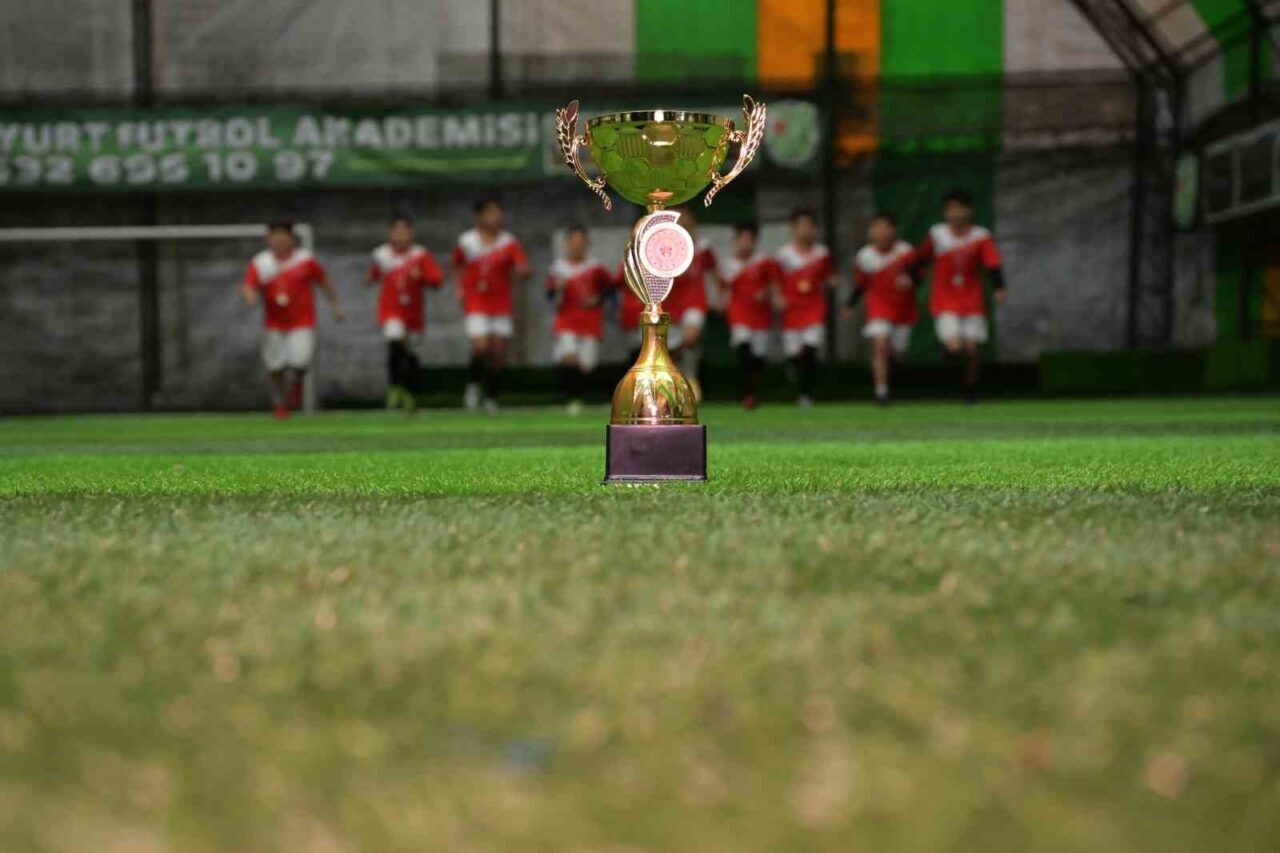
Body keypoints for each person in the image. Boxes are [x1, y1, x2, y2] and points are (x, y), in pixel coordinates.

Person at [241, 221, 342, 420]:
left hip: (302, 321)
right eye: (275, 235)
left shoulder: (305, 259)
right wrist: (250, 296)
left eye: (283, 235)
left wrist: (335, 306)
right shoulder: (261, 262)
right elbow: (249, 285)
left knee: (301, 361)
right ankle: (280, 404)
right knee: (275, 367)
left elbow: (324, 281)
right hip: (274, 324)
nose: (279, 240)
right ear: (268, 238)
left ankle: (295, 389)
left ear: (291, 238)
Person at [916, 189, 1007, 403]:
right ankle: (950, 356)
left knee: (972, 349)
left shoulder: (980, 236)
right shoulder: (937, 234)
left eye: (960, 208)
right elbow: (921, 260)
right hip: (944, 299)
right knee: (955, 345)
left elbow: (992, 264)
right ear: (945, 212)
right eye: (951, 209)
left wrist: (999, 287)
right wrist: (911, 280)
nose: (956, 213)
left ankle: (969, 387)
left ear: (970, 211)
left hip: (972, 300)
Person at [451, 197, 531, 413]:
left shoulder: (508, 242)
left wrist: (523, 272)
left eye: (498, 213)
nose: (495, 218)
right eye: (490, 213)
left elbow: (523, 266)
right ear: (479, 217)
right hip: (476, 300)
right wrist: (459, 288)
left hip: (500, 302)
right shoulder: (467, 241)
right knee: (480, 346)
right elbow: (457, 265)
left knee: (497, 353)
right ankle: (473, 386)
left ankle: (492, 396)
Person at [367, 212, 444, 412]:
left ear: (411, 233)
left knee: (408, 354)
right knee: (394, 340)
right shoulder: (381, 255)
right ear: (390, 233)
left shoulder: (420, 255)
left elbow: (437, 281)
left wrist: (421, 277)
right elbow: (372, 277)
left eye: (405, 230)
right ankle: (394, 388)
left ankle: (406, 390)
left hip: (413, 313)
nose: (401, 235)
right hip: (390, 310)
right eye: (397, 230)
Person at [848, 213, 918, 406]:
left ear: (893, 230)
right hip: (878, 307)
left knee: (896, 353)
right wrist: (850, 305)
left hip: (903, 310)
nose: (882, 231)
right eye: (877, 227)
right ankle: (881, 392)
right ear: (871, 231)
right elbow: (860, 283)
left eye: (886, 227)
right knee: (879, 345)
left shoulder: (906, 252)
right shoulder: (864, 256)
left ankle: (893, 380)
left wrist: (909, 279)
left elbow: (919, 274)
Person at [547, 224, 614, 415]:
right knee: (570, 357)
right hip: (566, 320)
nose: (577, 246)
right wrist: (557, 289)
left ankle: (585, 396)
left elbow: (609, 288)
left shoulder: (595, 267)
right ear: (567, 244)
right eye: (573, 242)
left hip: (590, 321)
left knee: (586, 364)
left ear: (586, 244)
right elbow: (549, 295)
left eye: (581, 242)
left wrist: (597, 299)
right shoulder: (558, 268)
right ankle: (572, 399)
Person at [718, 221, 781, 410]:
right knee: (743, 345)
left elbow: (773, 284)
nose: (745, 243)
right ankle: (746, 393)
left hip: (760, 315)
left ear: (754, 241)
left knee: (758, 357)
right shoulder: (728, 265)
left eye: (749, 240)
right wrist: (721, 302)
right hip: (739, 312)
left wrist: (770, 295)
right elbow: (723, 287)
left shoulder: (764, 262)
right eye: (742, 239)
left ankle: (753, 391)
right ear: (736, 240)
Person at [775, 209, 834, 407]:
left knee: (811, 348)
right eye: (801, 226)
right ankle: (794, 369)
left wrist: (832, 281)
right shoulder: (783, 255)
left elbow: (828, 275)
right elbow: (775, 280)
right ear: (793, 229)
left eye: (809, 226)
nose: (805, 230)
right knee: (794, 355)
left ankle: (806, 394)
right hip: (792, 310)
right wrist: (778, 297)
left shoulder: (821, 254)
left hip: (814, 308)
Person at [663, 207, 717, 399]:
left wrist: (719, 294)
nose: (683, 223)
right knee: (671, 348)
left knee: (691, 336)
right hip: (670, 303)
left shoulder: (703, 247)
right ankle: (678, 382)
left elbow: (714, 272)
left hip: (695, 300)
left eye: (686, 220)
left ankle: (691, 376)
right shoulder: (665, 247)